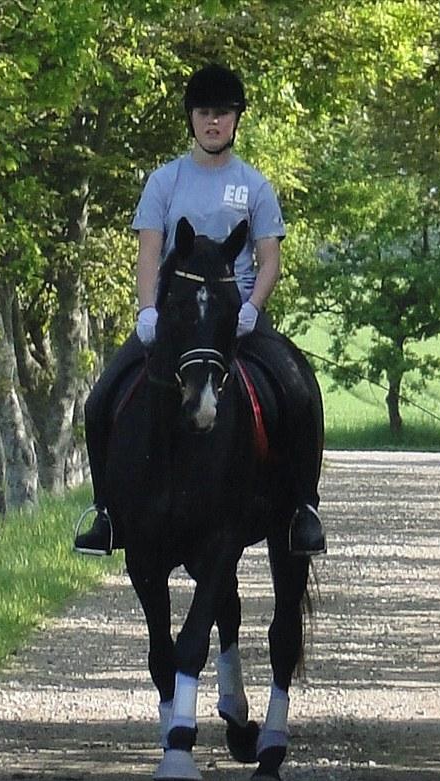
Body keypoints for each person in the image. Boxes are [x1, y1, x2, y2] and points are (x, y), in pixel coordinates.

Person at [75, 62, 326, 557]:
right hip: (176, 322)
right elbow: (150, 252)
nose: (214, 122)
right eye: (205, 113)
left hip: (237, 318)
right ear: (191, 119)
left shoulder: (254, 186)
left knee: (299, 392)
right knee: (101, 398)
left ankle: (303, 509)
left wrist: (253, 307)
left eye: (223, 114)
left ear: (236, 120)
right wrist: (148, 311)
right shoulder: (164, 182)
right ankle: (107, 511)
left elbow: (269, 258)